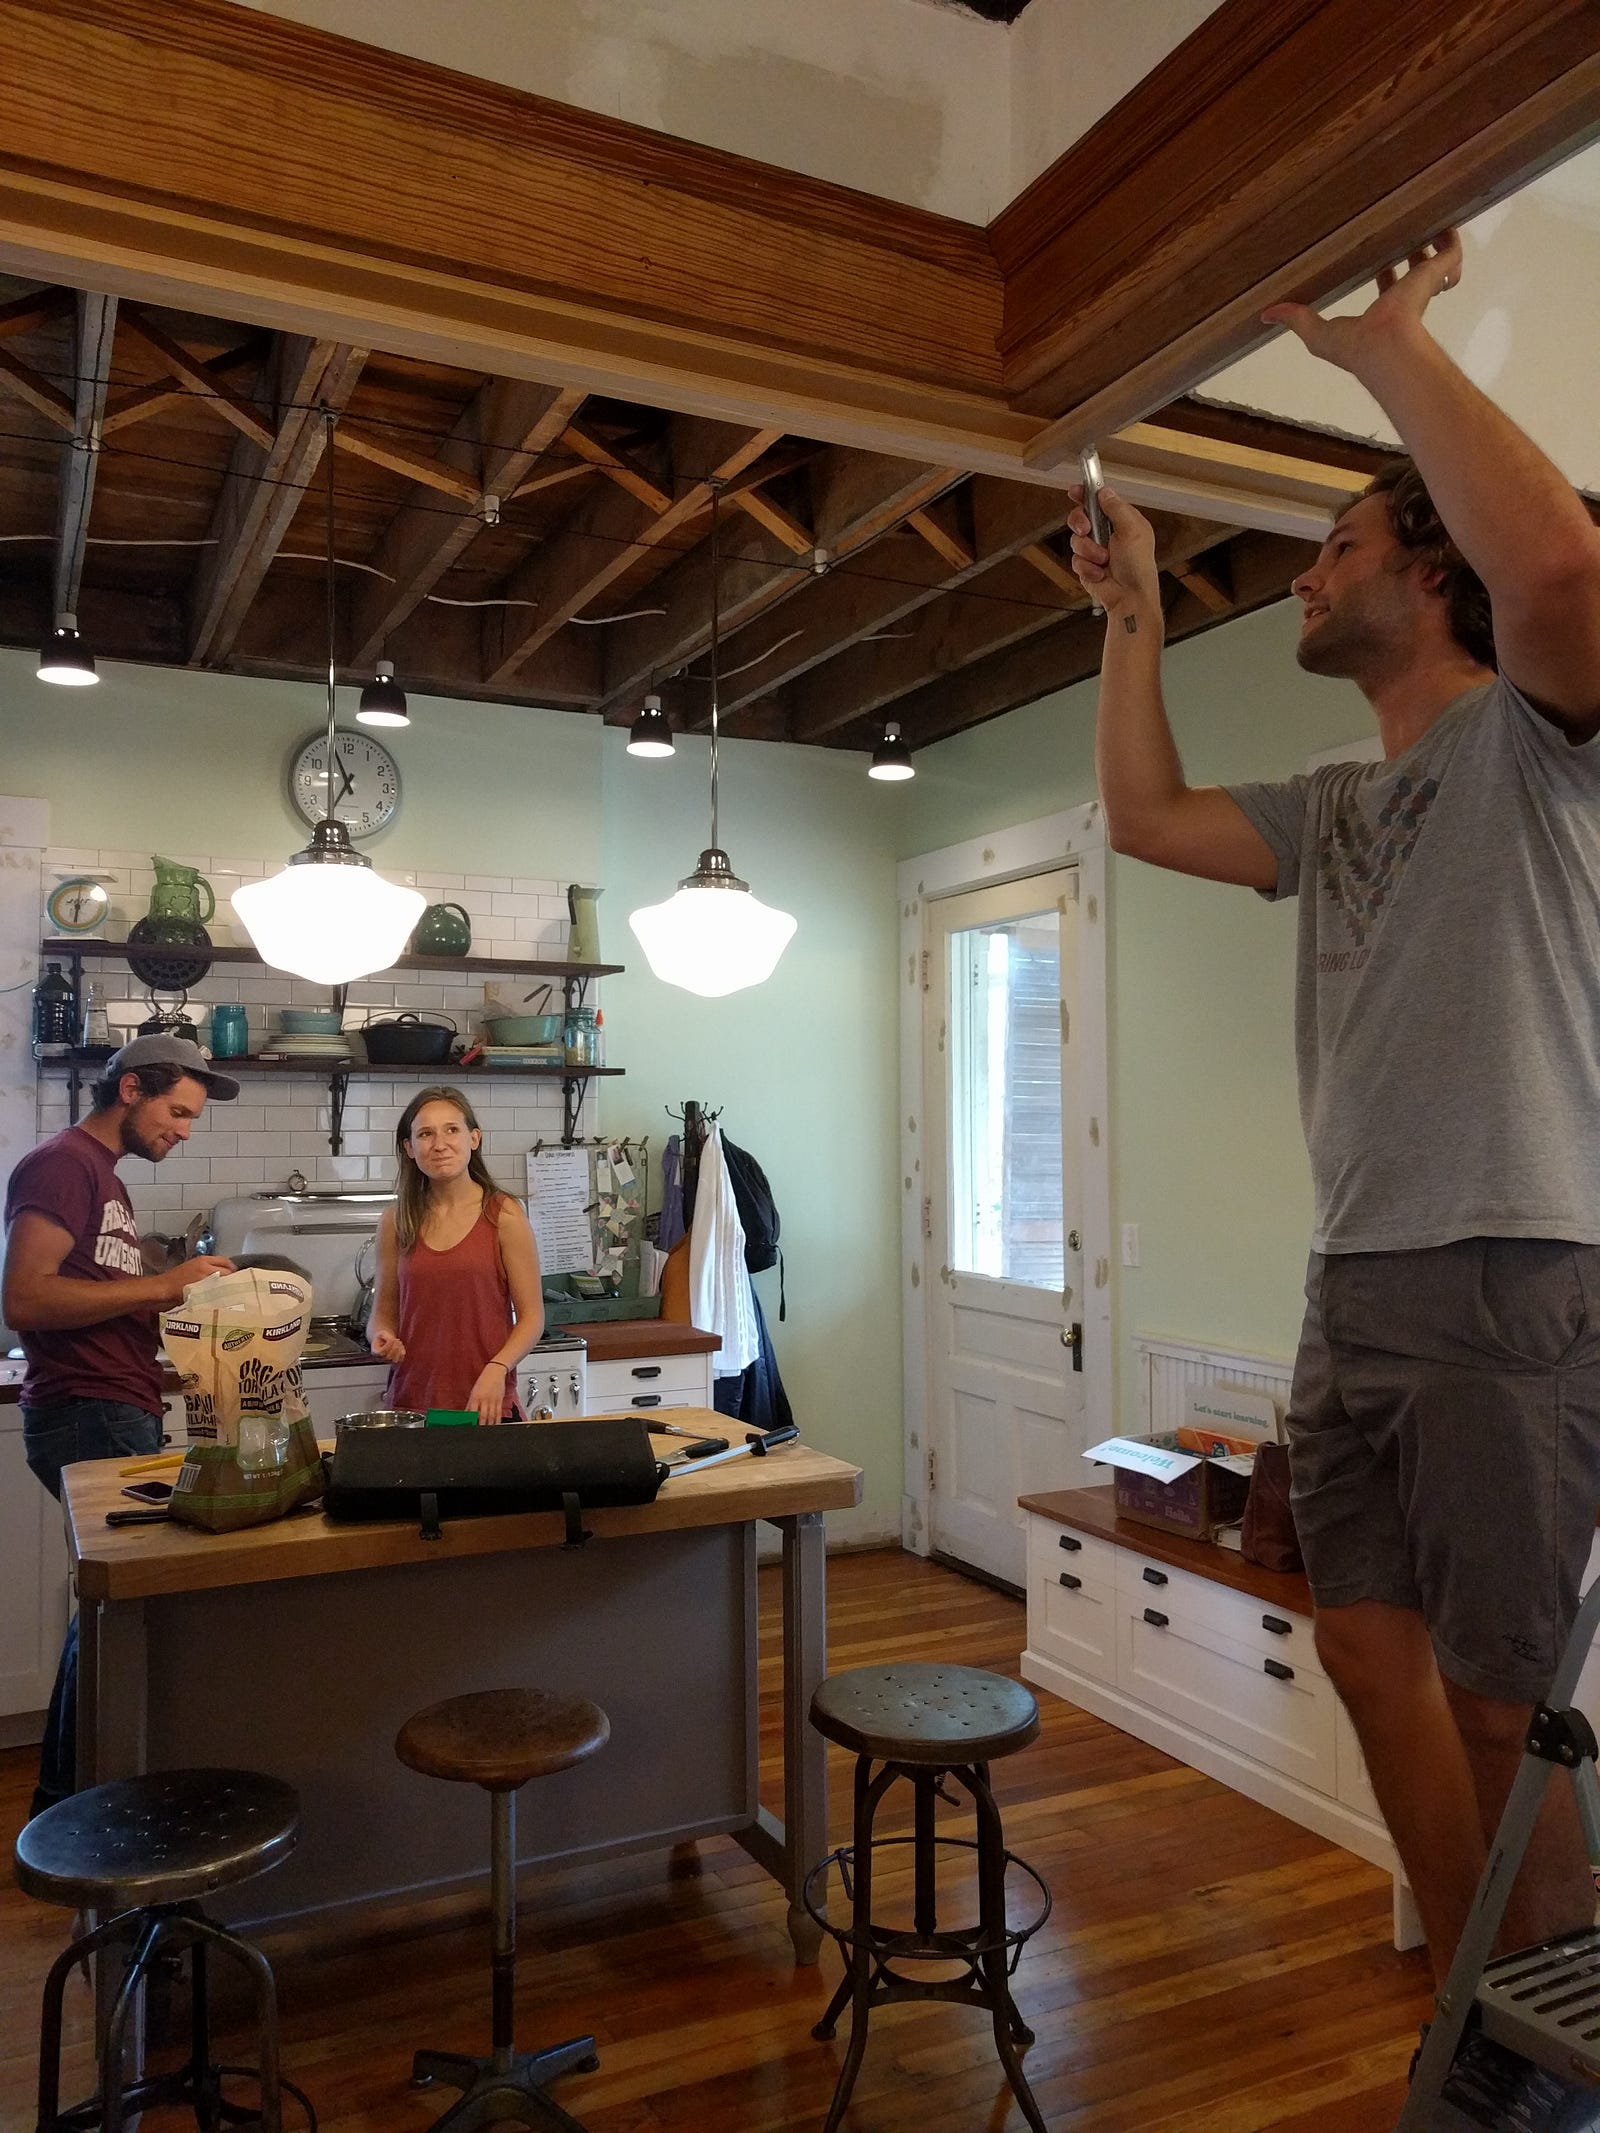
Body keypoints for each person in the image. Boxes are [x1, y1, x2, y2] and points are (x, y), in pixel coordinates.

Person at [1071, 230, 1600, 2129]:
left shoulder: (1543, 738)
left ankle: (1553, 2066)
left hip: (1510, 1262)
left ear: (1430, 570)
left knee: (1502, 1697)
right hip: (1356, 1275)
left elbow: (1563, 572)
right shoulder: (1339, 798)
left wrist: (1385, 353)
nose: (1304, 573)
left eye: (1337, 543)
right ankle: (1481, 2020)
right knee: (1372, 1652)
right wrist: (1133, 611)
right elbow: (1142, 815)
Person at [1, 1033, 239, 1817]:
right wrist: (163, 1286)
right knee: (118, 1608)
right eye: (178, 1111)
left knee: (110, 1608)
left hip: (110, 1406)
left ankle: (72, 1798)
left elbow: (99, 1298)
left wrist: (182, 1304)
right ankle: (83, 1806)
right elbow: (26, 1297)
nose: (185, 1130)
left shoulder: (104, 1178)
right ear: (130, 1090)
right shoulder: (63, 1164)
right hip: (88, 1410)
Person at [369, 1087, 543, 1421]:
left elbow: (533, 1317)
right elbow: (383, 1313)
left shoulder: (504, 1215)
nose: (440, 1144)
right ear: (409, 1148)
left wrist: (497, 1368)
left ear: (473, 1138)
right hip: (412, 1404)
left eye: (452, 1130)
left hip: (485, 1406)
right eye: (425, 1134)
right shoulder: (396, 1221)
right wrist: (381, 1336)